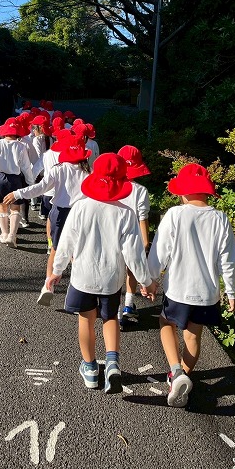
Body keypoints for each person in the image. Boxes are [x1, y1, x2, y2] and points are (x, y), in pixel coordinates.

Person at [46, 153, 158, 393]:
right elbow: (134, 254)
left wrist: (56, 271)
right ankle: (112, 363)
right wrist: (145, 281)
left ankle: (89, 368)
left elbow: (65, 243)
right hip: (111, 279)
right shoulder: (126, 214)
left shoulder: (80, 207)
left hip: (83, 277)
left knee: (85, 320)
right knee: (110, 319)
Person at [147, 163, 235, 408]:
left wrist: (151, 279)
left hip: (179, 288)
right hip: (207, 292)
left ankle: (176, 372)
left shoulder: (175, 214)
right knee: (193, 335)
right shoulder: (220, 218)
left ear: (183, 192)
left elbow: (160, 251)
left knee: (166, 323)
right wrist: (231, 290)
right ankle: (183, 376)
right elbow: (229, 259)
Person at [3, 133, 91, 305]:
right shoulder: (89, 172)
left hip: (60, 213)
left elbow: (40, 188)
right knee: (78, 251)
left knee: (56, 249)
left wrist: (18, 193)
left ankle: (47, 286)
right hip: (81, 214)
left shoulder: (59, 169)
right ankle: (80, 288)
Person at [0, 117, 34, 248]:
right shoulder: (21, 146)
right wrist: (30, 182)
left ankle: (4, 233)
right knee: (15, 208)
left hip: (0, 178)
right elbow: (26, 166)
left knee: (2, 206)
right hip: (15, 179)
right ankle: (12, 235)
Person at [117, 145, 151, 326]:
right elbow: (142, 218)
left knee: (115, 272)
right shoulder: (140, 190)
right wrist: (145, 242)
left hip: (113, 234)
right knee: (132, 270)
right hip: (133, 236)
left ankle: (116, 312)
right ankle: (128, 304)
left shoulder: (112, 185)